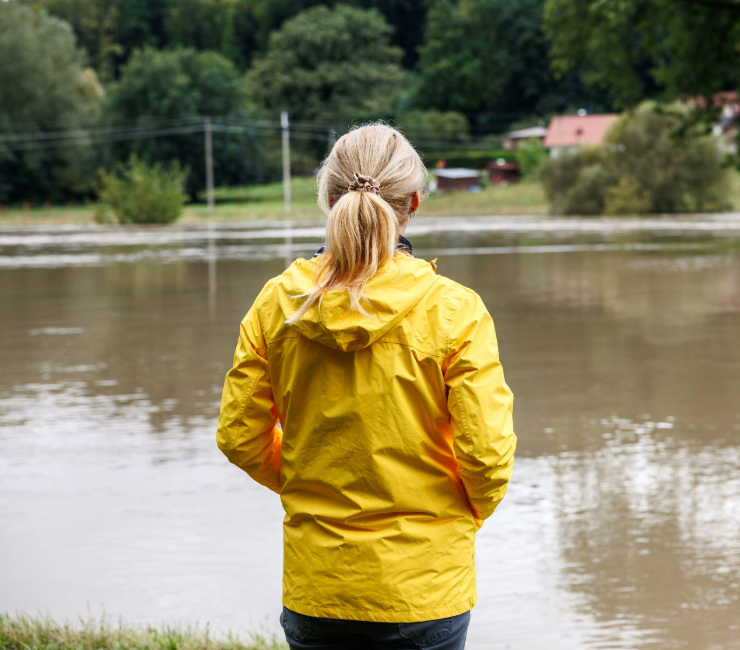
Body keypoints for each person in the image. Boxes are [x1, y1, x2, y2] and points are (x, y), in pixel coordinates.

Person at [216, 123, 517, 650]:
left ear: (329, 199)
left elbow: (240, 436)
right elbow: (487, 458)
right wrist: (458, 517)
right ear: (415, 203)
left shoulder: (277, 304)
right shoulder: (456, 311)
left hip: (320, 585)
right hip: (426, 588)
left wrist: (309, 478)